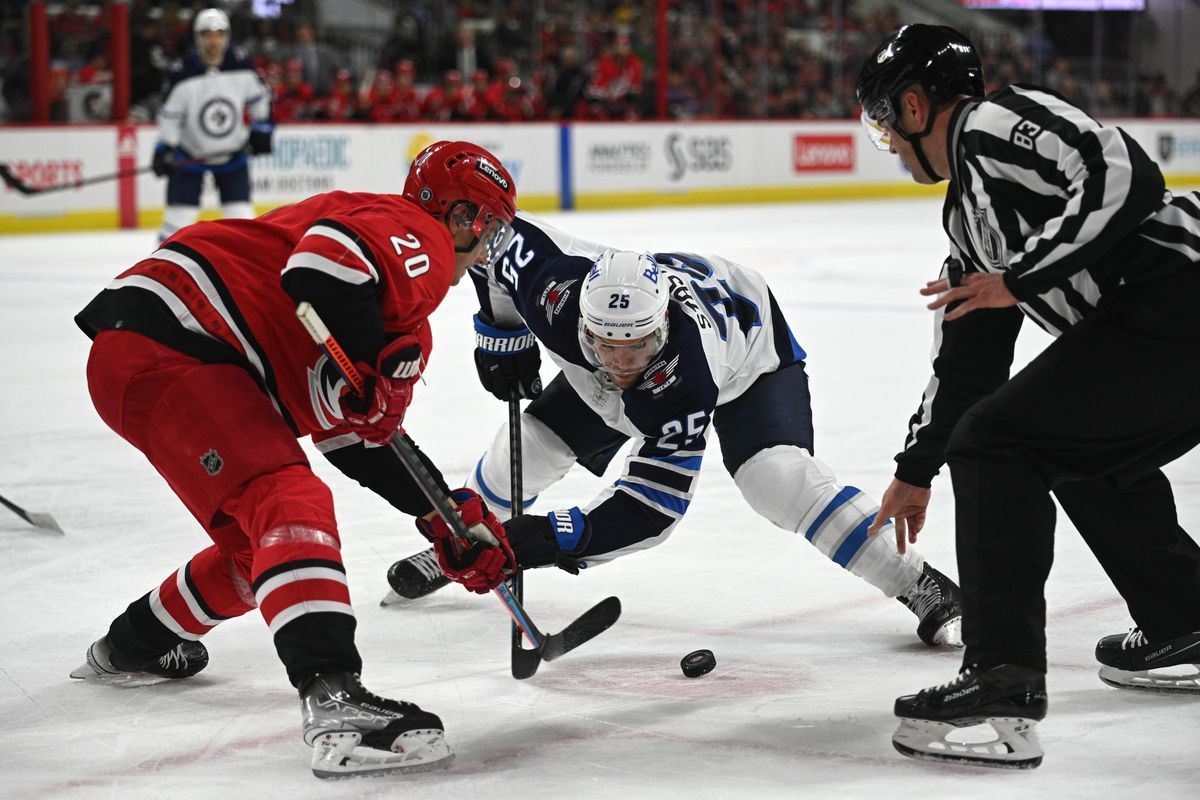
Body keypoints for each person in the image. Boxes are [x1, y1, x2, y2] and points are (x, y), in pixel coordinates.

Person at [69, 141, 518, 779]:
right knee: (289, 501)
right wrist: (365, 360)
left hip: (163, 353)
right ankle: (335, 700)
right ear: (464, 216)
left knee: (267, 551)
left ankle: (133, 644)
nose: (487, 247)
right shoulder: (417, 232)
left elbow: (359, 440)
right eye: (491, 228)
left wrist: (444, 516)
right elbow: (320, 265)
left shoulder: (405, 318)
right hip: (182, 338)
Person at [855, 24, 1200, 769]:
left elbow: (1123, 172)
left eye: (885, 121)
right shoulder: (967, 220)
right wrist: (917, 466)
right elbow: (969, 357)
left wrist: (1018, 278)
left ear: (915, 107)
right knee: (1070, 449)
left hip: (1178, 296)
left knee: (1001, 441)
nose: (885, 139)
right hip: (1163, 324)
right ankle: (1187, 619)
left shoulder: (990, 124)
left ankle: (1001, 686)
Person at [383, 213, 965, 651]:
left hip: (749, 356)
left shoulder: (687, 374)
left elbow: (650, 511)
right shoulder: (552, 286)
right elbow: (487, 241)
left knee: (778, 481)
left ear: (661, 325)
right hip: (650, 338)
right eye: (607, 345)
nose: (621, 363)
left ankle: (917, 582)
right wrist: (500, 335)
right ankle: (461, 542)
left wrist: (534, 541)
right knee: (528, 449)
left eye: (636, 346)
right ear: (580, 322)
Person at [152, 9, 274, 243]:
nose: (213, 41)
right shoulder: (181, 72)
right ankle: (162, 269)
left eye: (219, 34)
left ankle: (245, 275)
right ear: (198, 37)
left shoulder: (242, 64)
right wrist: (165, 149)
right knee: (176, 223)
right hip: (189, 156)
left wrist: (262, 130)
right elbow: (170, 117)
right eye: (207, 34)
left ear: (227, 36)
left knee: (243, 221)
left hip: (233, 156)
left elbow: (260, 99)